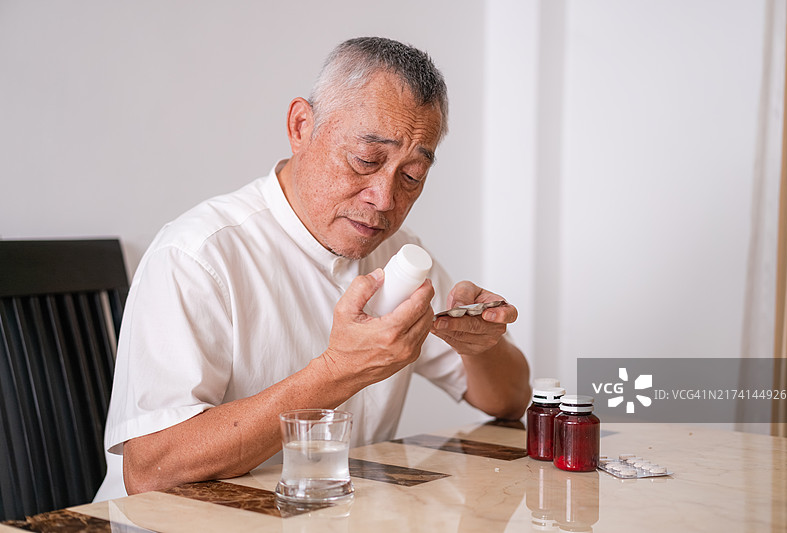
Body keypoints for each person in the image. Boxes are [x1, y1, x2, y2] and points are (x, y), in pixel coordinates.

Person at [94, 36, 531, 502]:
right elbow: (149, 469)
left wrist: (482, 346)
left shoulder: (399, 257)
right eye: (366, 160)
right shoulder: (198, 255)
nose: (384, 199)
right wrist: (341, 370)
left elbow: (507, 401)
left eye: (411, 177)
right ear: (301, 126)